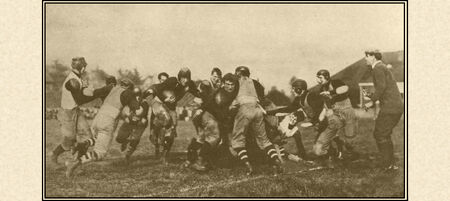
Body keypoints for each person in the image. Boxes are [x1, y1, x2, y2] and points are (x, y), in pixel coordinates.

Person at [65, 79, 140, 178]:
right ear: (129, 87)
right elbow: (137, 109)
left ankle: (82, 144)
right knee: (100, 153)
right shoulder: (128, 93)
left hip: (98, 117)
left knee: (98, 139)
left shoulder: (112, 88)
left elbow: (94, 93)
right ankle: (75, 164)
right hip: (108, 120)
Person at [50, 57, 114, 166]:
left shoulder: (79, 78)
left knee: (87, 138)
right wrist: (103, 91)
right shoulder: (72, 80)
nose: (85, 69)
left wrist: (101, 92)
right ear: (82, 67)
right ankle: (54, 154)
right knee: (69, 140)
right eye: (84, 66)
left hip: (75, 110)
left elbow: (87, 93)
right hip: (67, 112)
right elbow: (80, 99)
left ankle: (76, 163)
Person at [230, 66, 282, 176]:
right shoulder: (255, 83)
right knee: (264, 141)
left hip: (244, 110)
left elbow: (230, 97)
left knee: (237, 141)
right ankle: (275, 160)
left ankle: (248, 165)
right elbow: (262, 98)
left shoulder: (236, 81)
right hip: (257, 110)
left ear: (238, 74)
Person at [185, 73, 238, 171]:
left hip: (212, 116)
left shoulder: (230, 92)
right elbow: (219, 113)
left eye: (232, 84)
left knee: (203, 139)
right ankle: (199, 162)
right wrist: (230, 110)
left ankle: (191, 159)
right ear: (223, 84)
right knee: (214, 137)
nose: (230, 87)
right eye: (227, 84)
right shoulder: (220, 96)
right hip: (209, 116)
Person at [266, 79, 325, 162]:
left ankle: (336, 153)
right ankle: (304, 155)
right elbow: (288, 109)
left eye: (294, 88)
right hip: (317, 122)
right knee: (318, 146)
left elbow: (320, 110)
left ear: (299, 89)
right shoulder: (299, 99)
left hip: (324, 120)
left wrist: (313, 122)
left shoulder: (311, 96)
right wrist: (268, 112)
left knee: (322, 144)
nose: (292, 90)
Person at [364, 49, 404, 170]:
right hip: (393, 107)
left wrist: (371, 102)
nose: (365, 58)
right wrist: (372, 95)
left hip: (390, 108)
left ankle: (388, 164)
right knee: (383, 134)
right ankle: (390, 163)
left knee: (380, 134)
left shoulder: (378, 68)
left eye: (367, 56)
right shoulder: (381, 67)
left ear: (373, 57)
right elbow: (385, 89)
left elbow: (382, 87)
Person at [316, 69, 360, 162]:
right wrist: (321, 117)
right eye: (317, 78)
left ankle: (350, 152)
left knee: (350, 139)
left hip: (347, 111)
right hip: (336, 112)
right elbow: (326, 104)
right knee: (332, 130)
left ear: (326, 77)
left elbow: (345, 88)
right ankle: (336, 148)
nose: (318, 80)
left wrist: (330, 92)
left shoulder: (335, 82)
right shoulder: (321, 89)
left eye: (320, 78)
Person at [143, 77, 179, 164]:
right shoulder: (157, 87)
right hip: (160, 110)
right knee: (164, 120)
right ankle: (154, 134)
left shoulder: (176, 88)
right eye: (161, 80)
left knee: (171, 134)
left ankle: (164, 155)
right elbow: (146, 94)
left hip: (171, 111)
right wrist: (159, 100)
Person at [115, 88, 150, 163]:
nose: (137, 97)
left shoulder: (144, 102)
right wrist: (125, 117)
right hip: (130, 121)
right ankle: (125, 141)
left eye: (138, 95)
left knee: (135, 140)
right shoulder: (128, 101)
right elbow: (123, 112)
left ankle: (127, 156)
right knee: (119, 139)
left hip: (139, 122)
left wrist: (141, 119)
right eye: (135, 95)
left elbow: (143, 115)